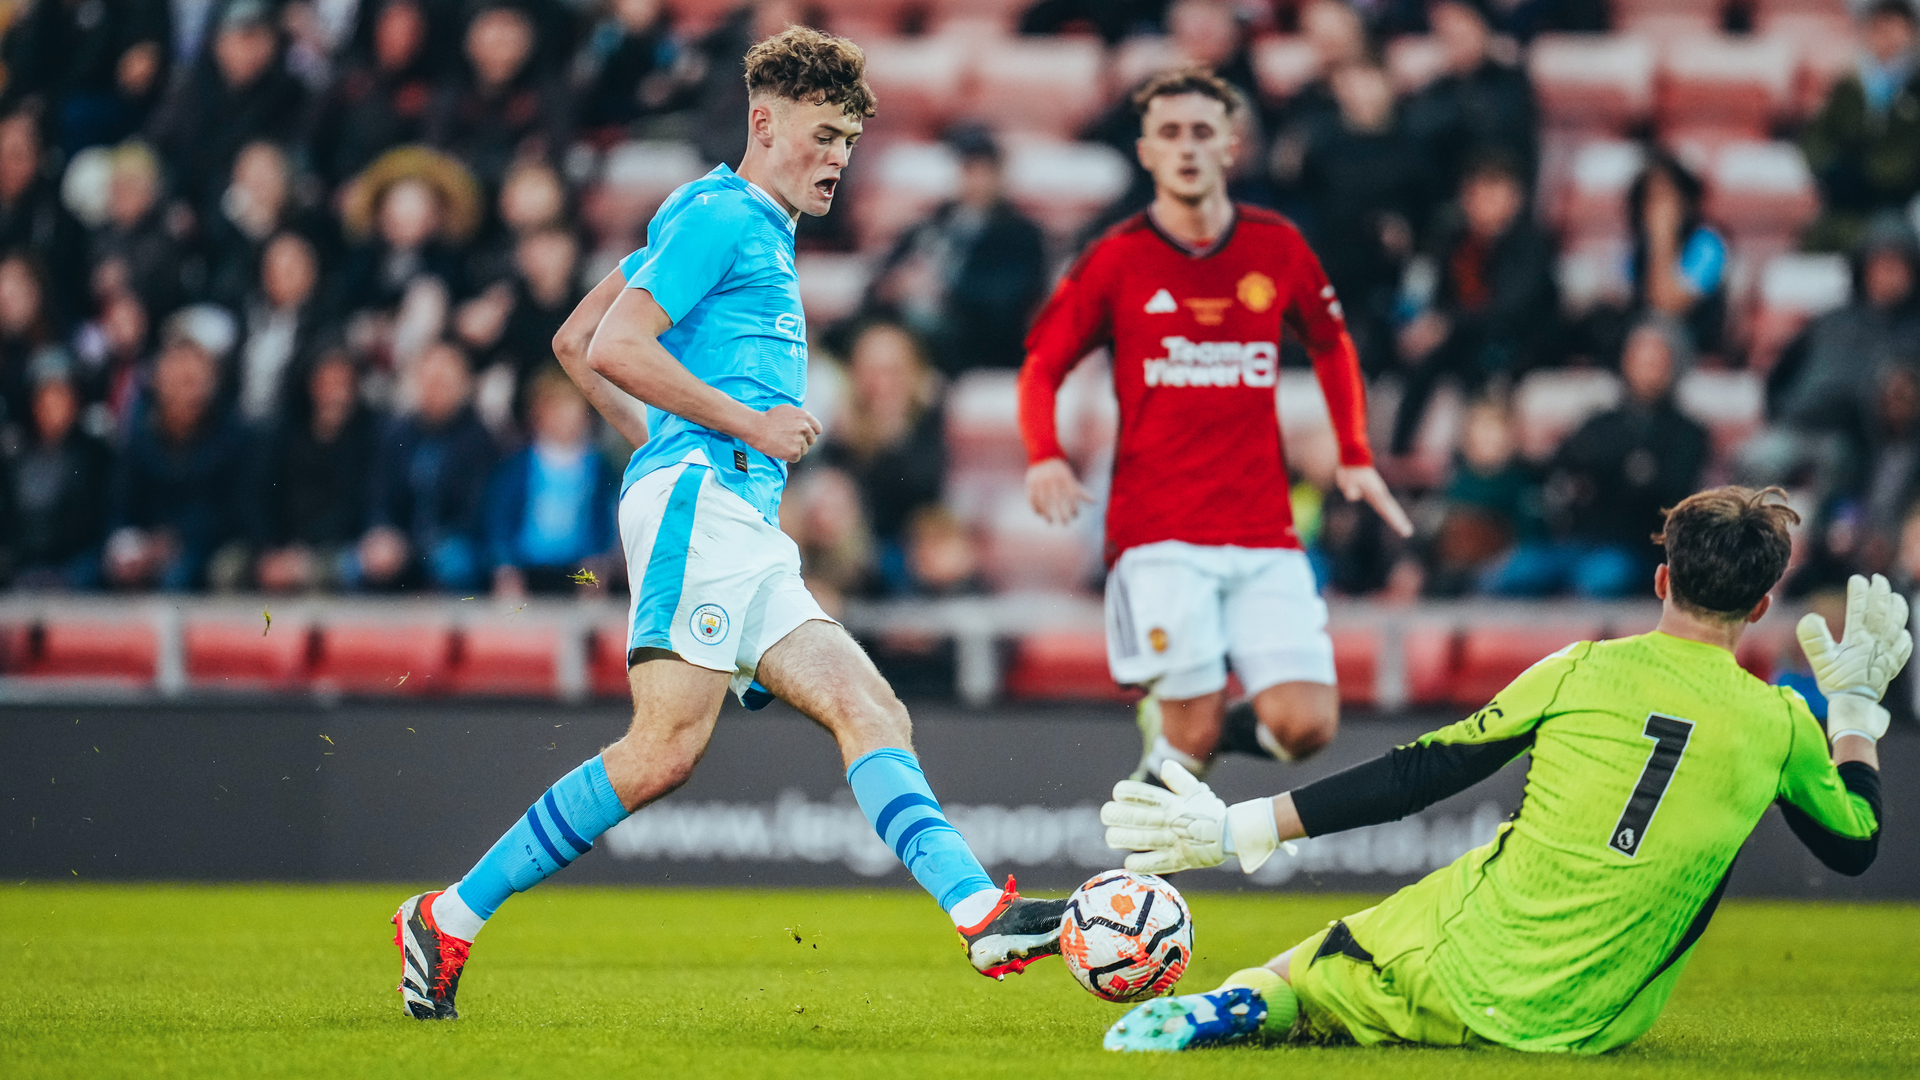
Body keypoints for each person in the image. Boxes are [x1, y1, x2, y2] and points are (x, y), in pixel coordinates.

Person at [392, 27, 1069, 1022]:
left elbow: (576, 340)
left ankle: (980, 913)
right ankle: (447, 919)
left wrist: (666, 441)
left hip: (732, 517)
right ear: (765, 120)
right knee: (664, 749)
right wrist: (737, 427)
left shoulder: (731, 220)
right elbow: (619, 343)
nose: (839, 156)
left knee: (871, 709)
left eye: (850, 139)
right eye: (824, 133)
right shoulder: (723, 215)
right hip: (704, 510)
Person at [1099, 486, 1895, 1054]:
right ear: (1760, 609)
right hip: (1586, 1026)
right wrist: (1854, 714)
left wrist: (1238, 826)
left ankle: (1231, 1006)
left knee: (1307, 972)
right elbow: (1854, 845)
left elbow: (1423, 775)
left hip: (1461, 968)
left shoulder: (1582, 668)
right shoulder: (1784, 723)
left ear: (1662, 580)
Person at [1019, 67, 1413, 791]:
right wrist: (1045, 455)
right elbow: (1042, 362)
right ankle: (1138, 855)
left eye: (1203, 132)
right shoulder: (1118, 258)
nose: (1188, 148)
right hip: (1159, 535)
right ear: (1145, 151)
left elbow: (1331, 342)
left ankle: (1186, 746)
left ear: (1231, 145)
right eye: (1170, 133)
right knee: (1188, 736)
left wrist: (1354, 451)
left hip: (1262, 532)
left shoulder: (1276, 247)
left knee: (1305, 729)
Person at [1483, 320, 1709, 597]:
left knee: (1598, 581)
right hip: (1577, 540)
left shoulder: (1686, 433)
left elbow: (1666, 494)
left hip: (1636, 548)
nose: (1646, 369)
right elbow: (1562, 466)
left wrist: (1605, 476)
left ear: (1674, 366)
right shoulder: (1600, 422)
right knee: (1511, 575)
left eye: (1656, 361)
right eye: (1639, 359)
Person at [1389, 153, 1558, 456]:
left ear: (1515, 198)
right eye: (1477, 192)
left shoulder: (1531, 246)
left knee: (1487, 370)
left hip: (1520, 345)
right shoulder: (1454, 242)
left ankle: (1473, 461)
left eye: (1494, 191)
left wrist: (1447, 323)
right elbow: (1430, 293)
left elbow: (1511, 310)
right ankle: (1398, 455)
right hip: (1464, 341)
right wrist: (1421, 326)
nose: (1483, 201)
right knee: (1420, 364)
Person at [867, 126, 1048, 374]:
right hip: (909, 326)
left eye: (982, 170)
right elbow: (887, 271)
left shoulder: (1020, 234)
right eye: (967, 169)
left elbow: (1009, 299)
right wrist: (892, 287)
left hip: (974, 341)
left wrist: (943, 291)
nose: (974, 180)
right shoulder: (934, 223)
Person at [357, 340, 497, 590]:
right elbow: (379, 495)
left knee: (455, 563)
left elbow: (475, 511)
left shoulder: (480, 439)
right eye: (429, 381)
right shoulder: (396, 433)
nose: (435, 391)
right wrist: (382, 531)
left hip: (453, 541)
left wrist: (420, 546)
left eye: (443, 383)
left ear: (463, 385)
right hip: (401, 539)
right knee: (357, 564)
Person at [252, 347, 383, 593]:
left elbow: (363, 505)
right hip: (285, 549)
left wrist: (310, 557)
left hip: (342, 548)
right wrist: (271, 550)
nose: (335, 393)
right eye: (326, 383)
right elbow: (263, 499)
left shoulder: (370, 437)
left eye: (343, 383)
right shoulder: (284, 436)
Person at [483, 366, 620, 595]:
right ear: (539, 415)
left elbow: (605, 520)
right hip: (524, 564)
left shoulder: (598, 466)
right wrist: (503, 563)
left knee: (593, 585)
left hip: (579, 565)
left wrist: (601, 557)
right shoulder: (517, 465)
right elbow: (500, 518)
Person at [1800, 0, 1920, 253]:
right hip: (1842, 208)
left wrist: (1868, 173)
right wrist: (1831, 168)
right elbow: (1816, 141)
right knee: (1815, 244)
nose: (1886, 38)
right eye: (1877, 28)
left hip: (1897, 209)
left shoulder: (1914, 90)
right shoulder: (1848, 87)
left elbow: (1907, 161)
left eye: (1894, 29)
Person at [1, 353, 114, 589]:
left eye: (62, 394)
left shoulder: (96, 455)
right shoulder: (13, 453)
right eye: (46, 395)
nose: (54, 405)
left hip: (78, 566)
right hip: (21, 565)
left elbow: (104, 524)